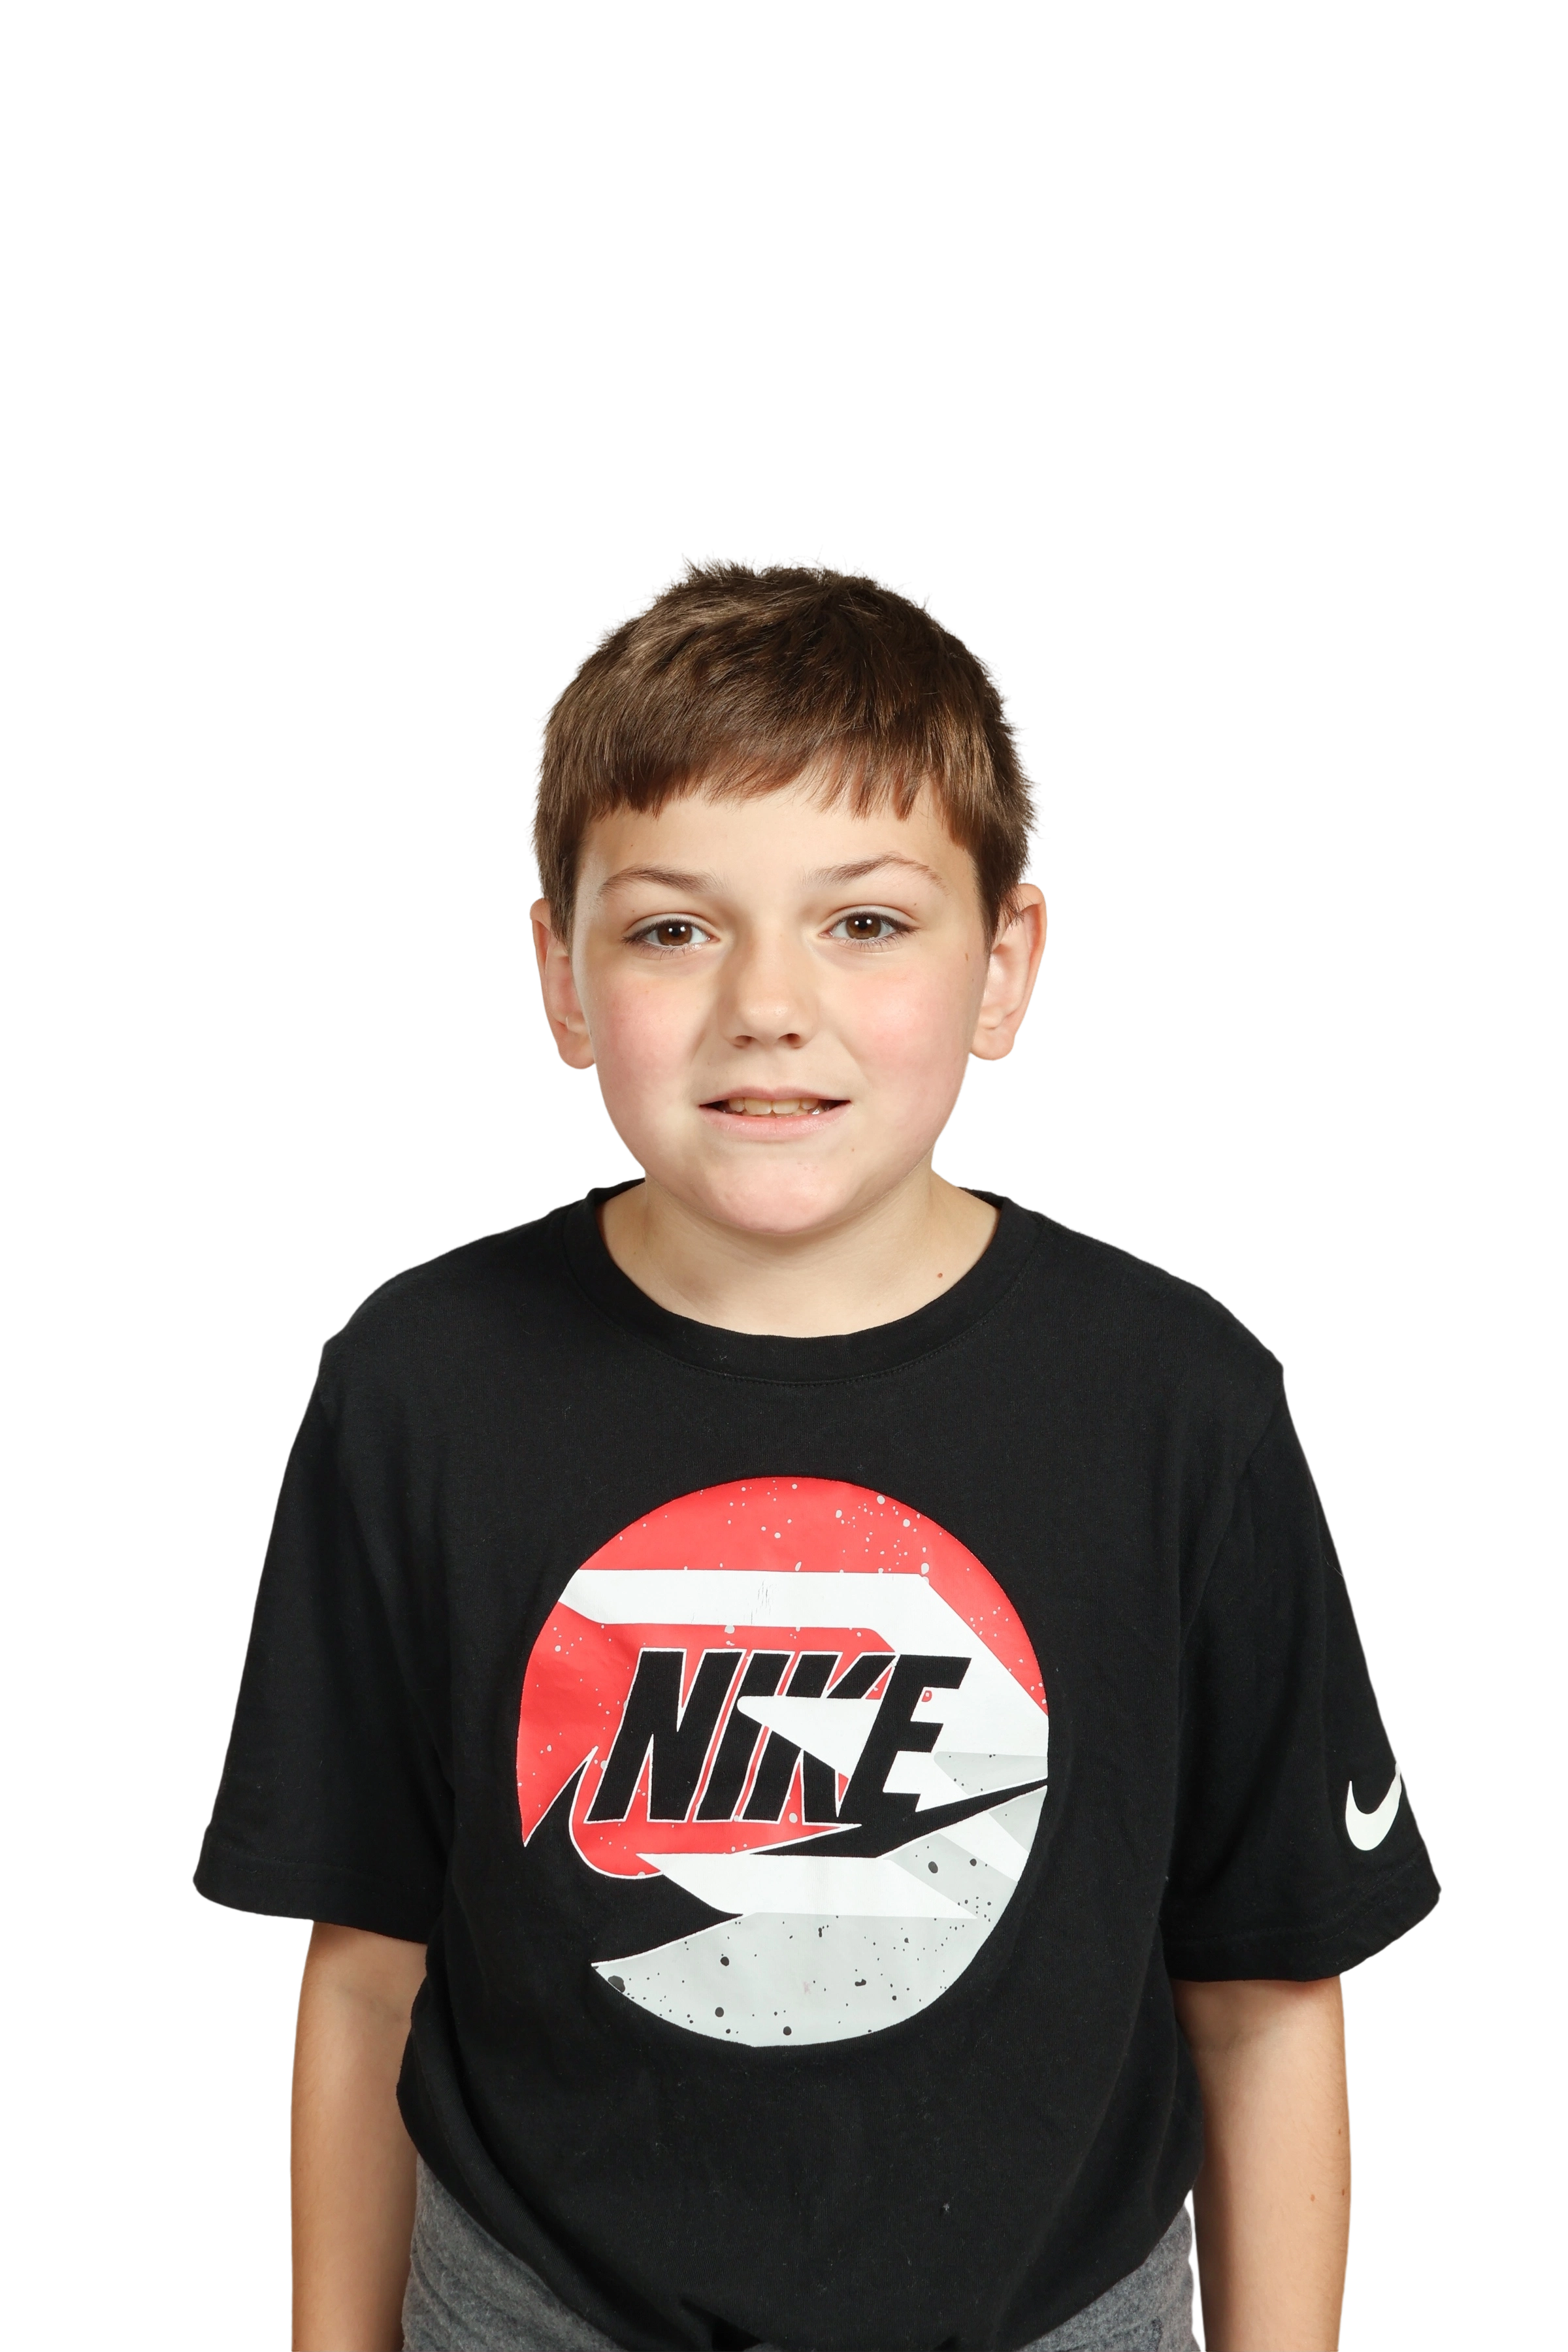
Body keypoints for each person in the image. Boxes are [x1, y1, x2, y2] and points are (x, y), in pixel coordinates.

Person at [192, 549, 1441, 2352]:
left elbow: (1265, 1995)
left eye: (864, 923)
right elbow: (366, 1977)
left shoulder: (1181, 1401)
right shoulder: (417, 1387)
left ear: (1005, 962)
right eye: (673, 929)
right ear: (559, 974)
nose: (767, 1005)